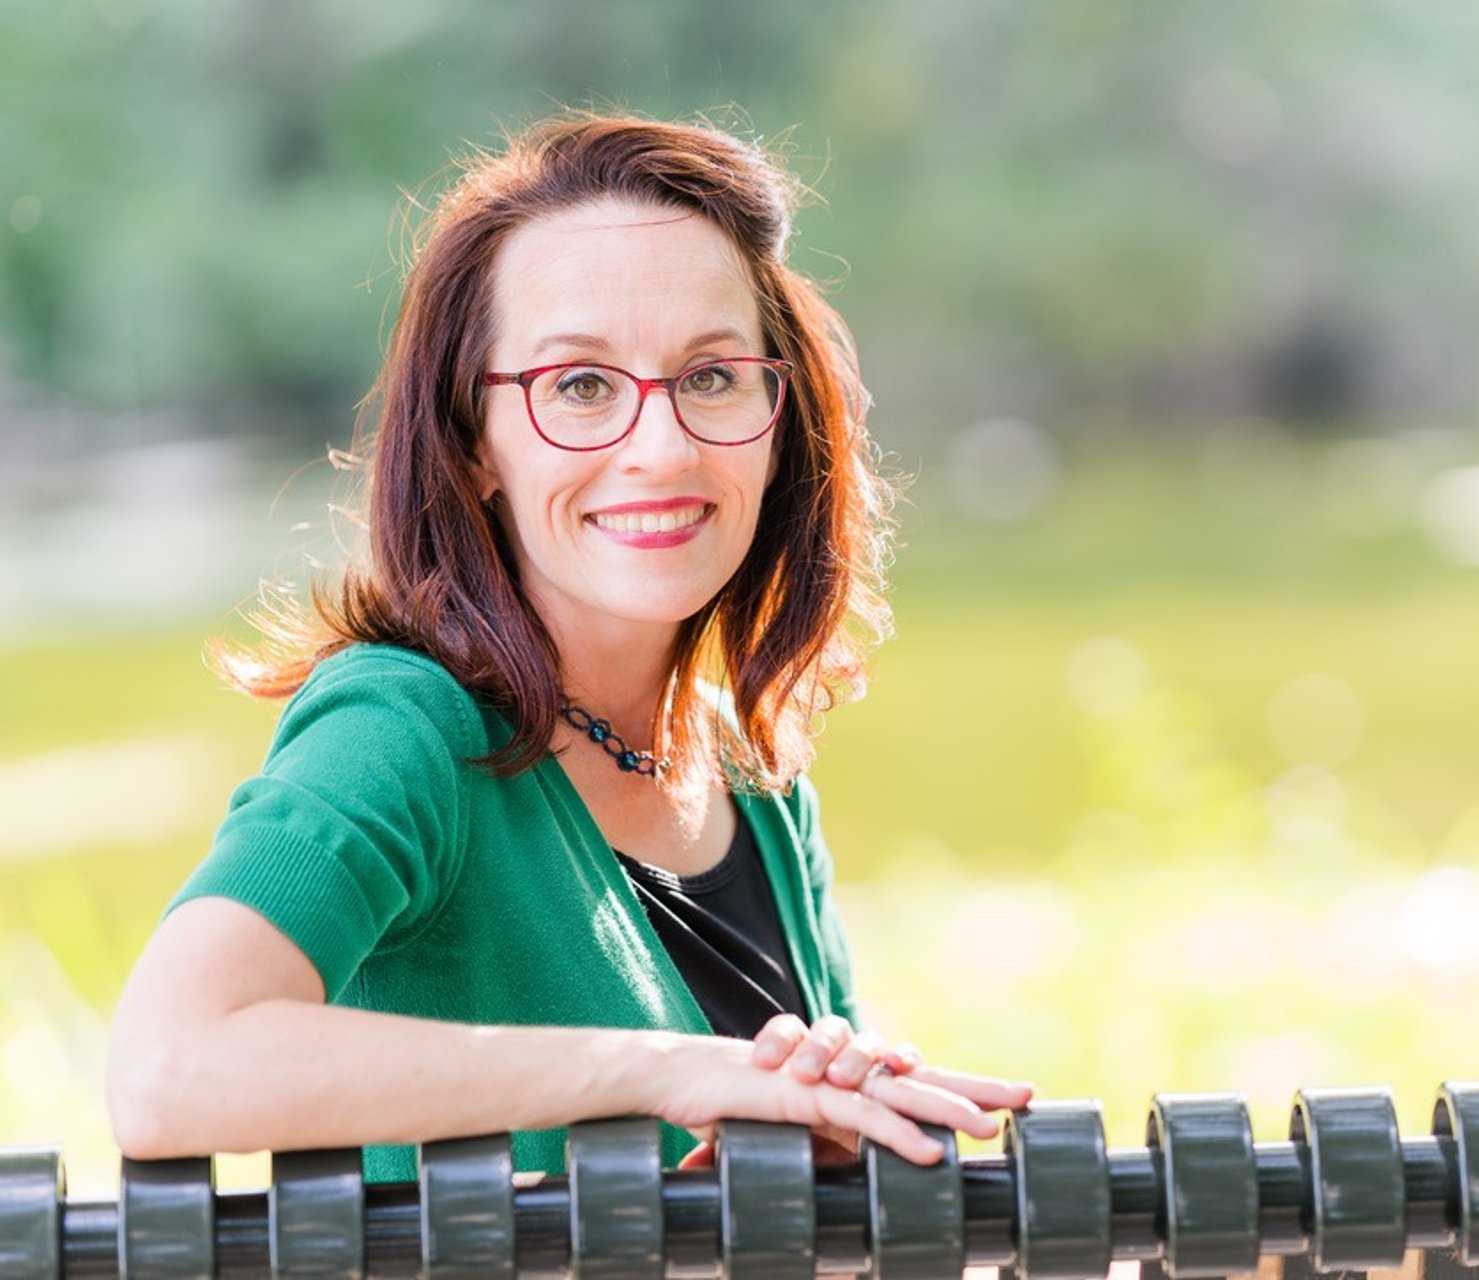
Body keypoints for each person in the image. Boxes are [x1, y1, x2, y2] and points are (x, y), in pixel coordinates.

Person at [104, 112, 1031, 1179]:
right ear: (473, 443)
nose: (662, 446)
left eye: (712, 374)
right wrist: (659, 1070)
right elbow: (166, 1065)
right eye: (579, 386)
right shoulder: (403, 728)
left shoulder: (754, 774)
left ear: (782, 418)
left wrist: (820, 1141)